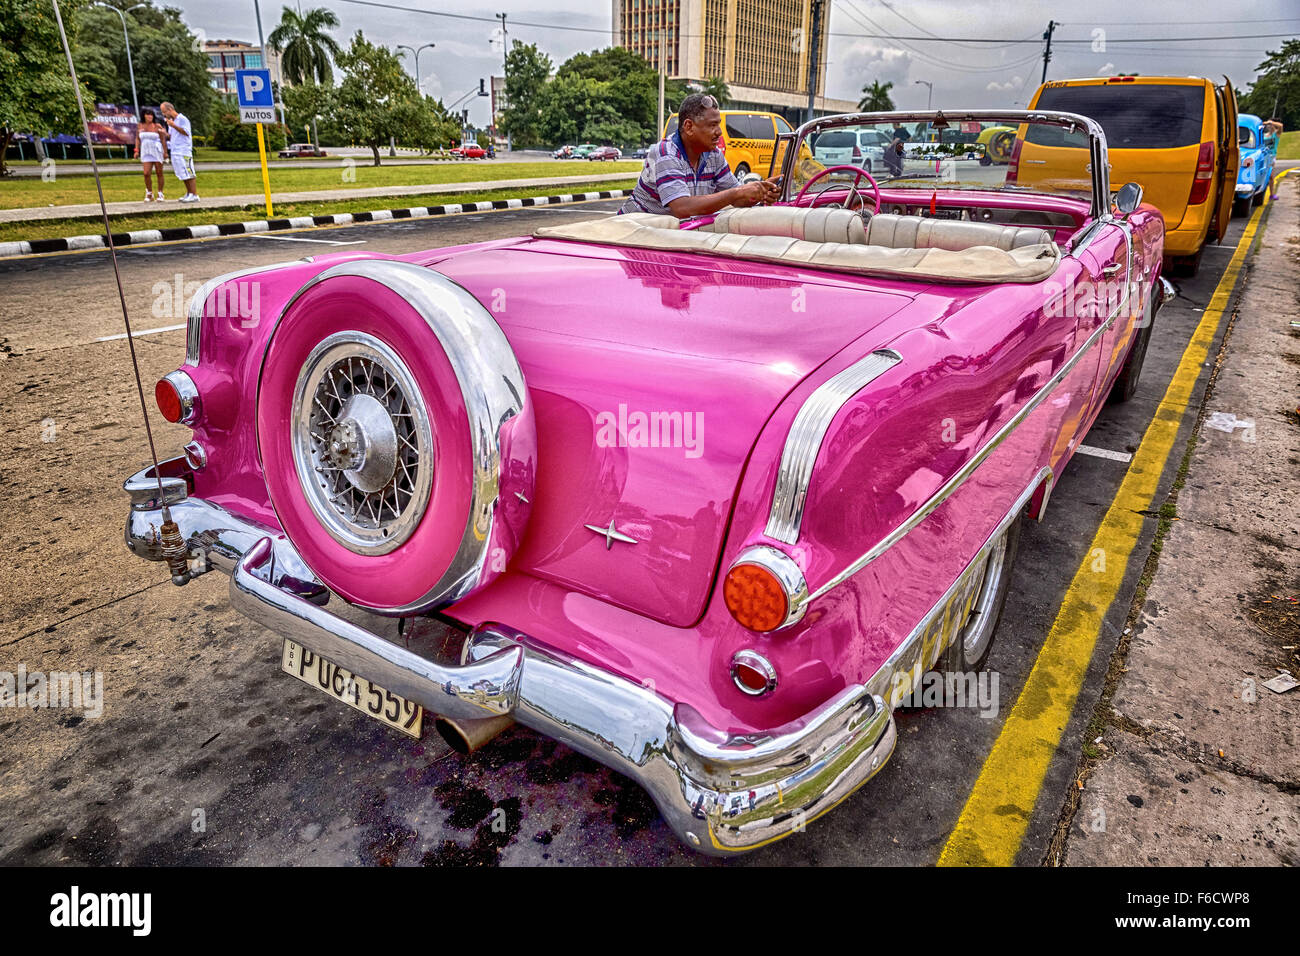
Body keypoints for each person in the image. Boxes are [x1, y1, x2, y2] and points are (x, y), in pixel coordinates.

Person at [620, 92, 779, 218]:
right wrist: (736, 193)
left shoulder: (713, 155)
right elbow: (682, 208)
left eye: (719, 124)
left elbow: (737, 196)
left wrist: (761, 192)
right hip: (631, 235)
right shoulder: (666, 153)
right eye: (712, 125)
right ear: (689, 127)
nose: (719, 132)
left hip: (664, 235)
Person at [159, 101, 199, 203]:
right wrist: (165, 133)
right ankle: (189, 193)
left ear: (170, 109)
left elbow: (186, 132)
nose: (164, 114)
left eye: (164, 112)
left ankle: (194, 194)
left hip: (184, 150)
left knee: (189, 171)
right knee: (182, 173)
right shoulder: (172, 121)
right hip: (175, 150)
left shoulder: (182, 119)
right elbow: (173, 135)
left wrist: (173, 125)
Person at [134, 108, 168, 202]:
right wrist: (136, 150)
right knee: (146, 173)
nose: (150, 116)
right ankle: (149, 192)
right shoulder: (140, 126)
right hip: (145, 150)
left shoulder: (157, 126)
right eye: (148, 114)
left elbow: (162, 139)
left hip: (156, 150)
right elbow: (137, 138)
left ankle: (160, 193)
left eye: (151, 115)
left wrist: (165, 152)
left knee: (159, 172)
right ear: (143, 116)